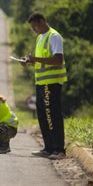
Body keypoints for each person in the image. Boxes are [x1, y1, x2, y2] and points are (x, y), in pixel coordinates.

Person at [21, 12, 68, 160]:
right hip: (41, 83)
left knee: (52, 115)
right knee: (43, 116)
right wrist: (30, 61)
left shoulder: (54, 36)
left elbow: (58, 60)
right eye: (32, 27)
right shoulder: (40, 38)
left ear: (42, 21)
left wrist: (35, 58)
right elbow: (42, 61)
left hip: (52, 83)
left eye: (35, 26)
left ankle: (59, 149)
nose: (34, 29)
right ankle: (48, 148)